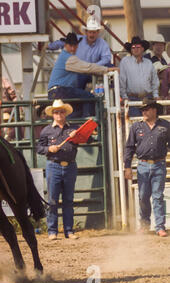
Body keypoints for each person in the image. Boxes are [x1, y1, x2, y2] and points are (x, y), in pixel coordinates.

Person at [36, 99, 82, 240]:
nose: (59, 114)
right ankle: (52, 230)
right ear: (53, 115)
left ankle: (69, 230)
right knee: (53, 200)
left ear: (65, 113)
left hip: (70, 165)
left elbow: (87, 139)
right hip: (53, 165)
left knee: (68, 199)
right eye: (56, 112)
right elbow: (39, 148)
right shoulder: (47, 130)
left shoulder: (73, 129)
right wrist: (49, 149)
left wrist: (77, 135)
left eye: (61, 112)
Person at [124, 101, 169, 237]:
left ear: (154, 110)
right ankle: (144, 224)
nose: (144, 112)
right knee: (143, 196)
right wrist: (127, 167)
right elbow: (129, 148)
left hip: (159, 164)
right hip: (143, 165)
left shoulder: (166, 126)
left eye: (147, 109)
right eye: (143, 109)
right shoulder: (136, 127)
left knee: (157, 196)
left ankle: (160, 226)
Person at [47, 32, 118, 118]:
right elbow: (88, 67)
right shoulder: (69, 58)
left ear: (77, 46)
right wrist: (106, 69)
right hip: (61, 90)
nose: (73, 48)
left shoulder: (65, 56)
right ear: (66, 45)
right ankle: (89, 122)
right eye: (71, 45)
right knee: (91, 98)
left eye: (75, 45)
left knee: (76, 109)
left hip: (57, 91)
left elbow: (87, 67)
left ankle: (78, 124)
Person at [48, 16, 112, 90]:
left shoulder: (102, 43)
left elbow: (106, 58)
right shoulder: (77, 39)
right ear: (86, 32)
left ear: (98, 32)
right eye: (90, 32)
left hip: (95, 70)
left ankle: (112, 93)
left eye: (94, 32)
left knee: (110, 67)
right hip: (81, 71)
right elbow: (61, 43)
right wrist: (49, 46)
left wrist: (95, 67)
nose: (91, 35)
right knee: (78, 78)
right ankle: (81, 97)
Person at [119, 36, 160, 116]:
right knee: (136, 124)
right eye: (133, 47)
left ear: (142, 49)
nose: (135, 49)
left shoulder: (148, 63)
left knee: (149, 123)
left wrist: (155, 95)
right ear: (131, 49)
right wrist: (124, 96)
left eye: (138, 47)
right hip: (132, 98)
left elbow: (154, 80)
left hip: (148, 97)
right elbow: (121, 80)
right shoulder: (125, 62)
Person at [144, 34, 170, 100]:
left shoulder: (164, 61)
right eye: (157, 45)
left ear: (164, 47)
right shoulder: (146, 58)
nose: (159, 47)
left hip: (161, 94)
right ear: (152, 46)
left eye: (161, 45)